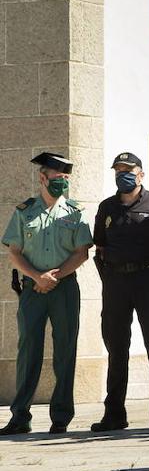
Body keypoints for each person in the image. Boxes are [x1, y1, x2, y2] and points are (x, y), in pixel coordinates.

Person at [0, 153, 92, 435]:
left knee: (66, 349)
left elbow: (82, 253)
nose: (62, 183)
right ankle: (19, 417)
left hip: (64, 289)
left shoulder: (76, 213)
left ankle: (61, 417)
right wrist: (37, 277)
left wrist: (54, 276)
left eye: (66, 179)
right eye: (57, 178)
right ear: (42, 178)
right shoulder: (24, 211)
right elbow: (13, 253)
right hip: (32, 289)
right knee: (29, 351)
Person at [90, 152, 149, 433]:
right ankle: (114, 413)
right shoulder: (107, 207)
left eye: (128, 170)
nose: (122, 174)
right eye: (118, 170)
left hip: (148, 280)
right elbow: (100, 247)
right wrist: (113, 276)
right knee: (117, 348)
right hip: (116, 282)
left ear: (141, 174)